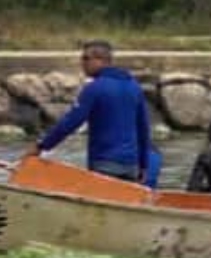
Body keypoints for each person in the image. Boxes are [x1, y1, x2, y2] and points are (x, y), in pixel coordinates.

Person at [28, 40, 151, 183]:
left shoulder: (95, 88)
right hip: (131, 166)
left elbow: (71, 122)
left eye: (86, 58)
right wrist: (144, 165)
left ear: (101, 60)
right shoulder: (134, 87)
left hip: (104, 163)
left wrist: (42, 146)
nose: (82, 63)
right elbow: (143, 129)